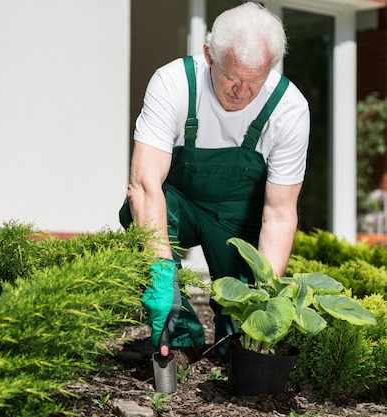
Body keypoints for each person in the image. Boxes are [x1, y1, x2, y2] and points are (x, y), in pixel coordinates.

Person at [119, 2, 310, 365]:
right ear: (209, 55)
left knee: (237, 341)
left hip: (240, 221)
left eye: (256, 81)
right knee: (138, 216)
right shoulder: (174, 83)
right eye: (232, 77)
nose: (242, 91)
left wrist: (266, 297)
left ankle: (226, 344)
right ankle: (182, 338)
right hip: (181, 205)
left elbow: (280, 213)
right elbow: (144, 185)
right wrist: (161, 272)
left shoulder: (289, 108)